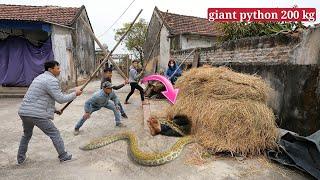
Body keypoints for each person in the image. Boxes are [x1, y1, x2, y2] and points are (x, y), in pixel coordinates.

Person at [17, 61, 83, 165]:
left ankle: (20, 159)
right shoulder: (51, 80)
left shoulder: (39, 78)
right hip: (36, 114)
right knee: (54, 133)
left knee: (26, 134)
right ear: (50, 69)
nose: (59, 70)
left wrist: (55, 110)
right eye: (57, 68)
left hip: (24, 111)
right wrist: (75, 94)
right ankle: (63, 156)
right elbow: (61, 98)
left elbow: (42, 98)